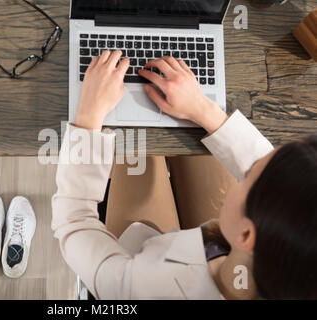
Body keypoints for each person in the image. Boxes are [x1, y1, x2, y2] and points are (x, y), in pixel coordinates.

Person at [51, 50, 317, 299]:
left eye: (247, 176)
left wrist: (88, 115)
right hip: (213, 243)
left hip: (141, 264)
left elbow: (74, 222)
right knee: (175, 145)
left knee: (140, 152)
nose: (250, 168)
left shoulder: (145, 289)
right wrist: (202, 107)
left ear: (247, 235)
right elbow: (287, 193)